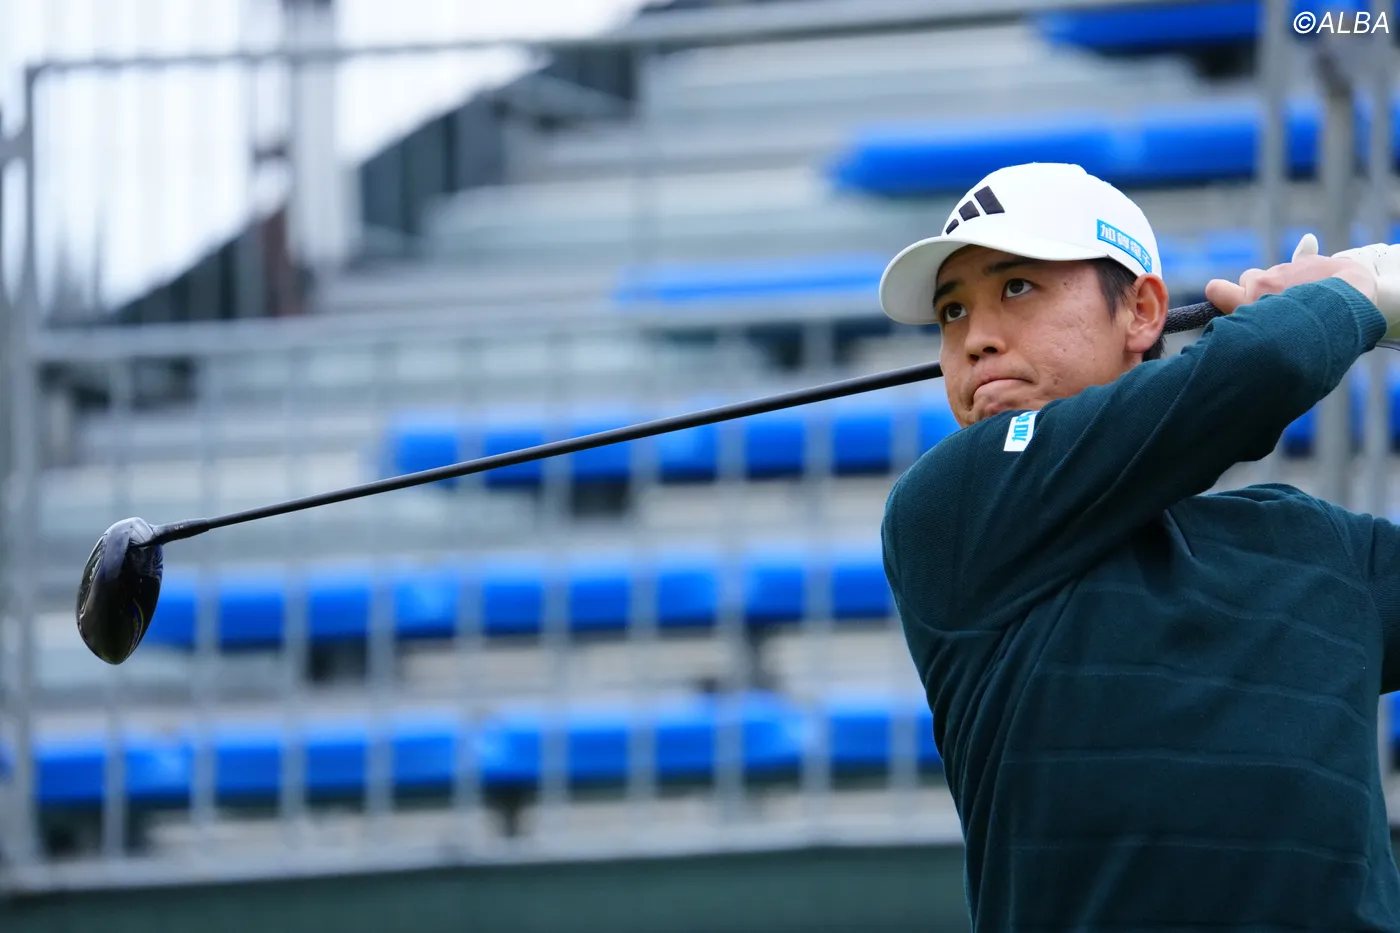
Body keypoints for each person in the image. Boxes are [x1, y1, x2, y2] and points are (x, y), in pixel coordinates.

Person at [877, 160, 1400, 932]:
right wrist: (1358, 293)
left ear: (1143, 311)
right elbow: (1267, 364)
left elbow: (1262, 365)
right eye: (952, 311)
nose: (976, 339)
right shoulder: (953, 507)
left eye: (1016, 286)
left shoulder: (1318, 546)